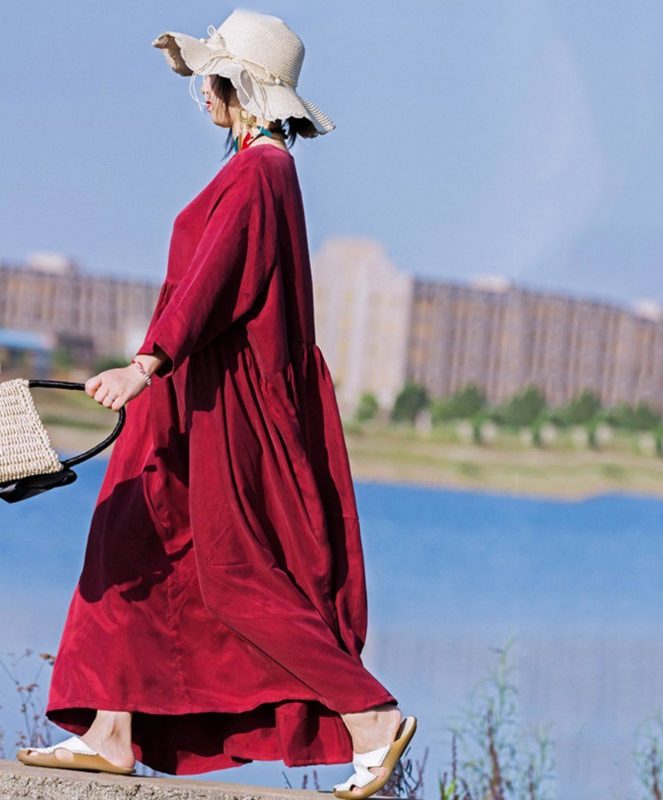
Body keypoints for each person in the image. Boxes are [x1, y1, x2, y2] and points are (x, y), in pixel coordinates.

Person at [16, 10, 416, 798]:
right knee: (127, 551)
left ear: (246, 89)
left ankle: (372, 718)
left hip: (221, 414)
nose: (201, 91)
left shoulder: (262, 174)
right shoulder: (252, 170)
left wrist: (145, 362)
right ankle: (112, 730)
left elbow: (213, 282)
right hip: (189, 406)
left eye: (212, 78)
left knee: (239, 578)